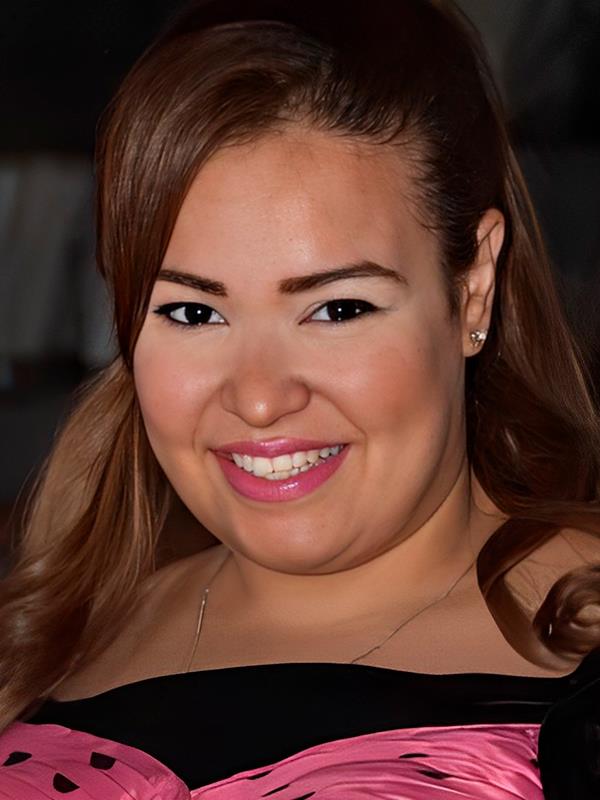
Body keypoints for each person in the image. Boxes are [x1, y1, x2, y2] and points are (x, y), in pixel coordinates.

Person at [0, 0, 599, 797]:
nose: (258, 400)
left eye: (337, 309)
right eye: (193, 313)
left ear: (474, 287)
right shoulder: (49, 636)